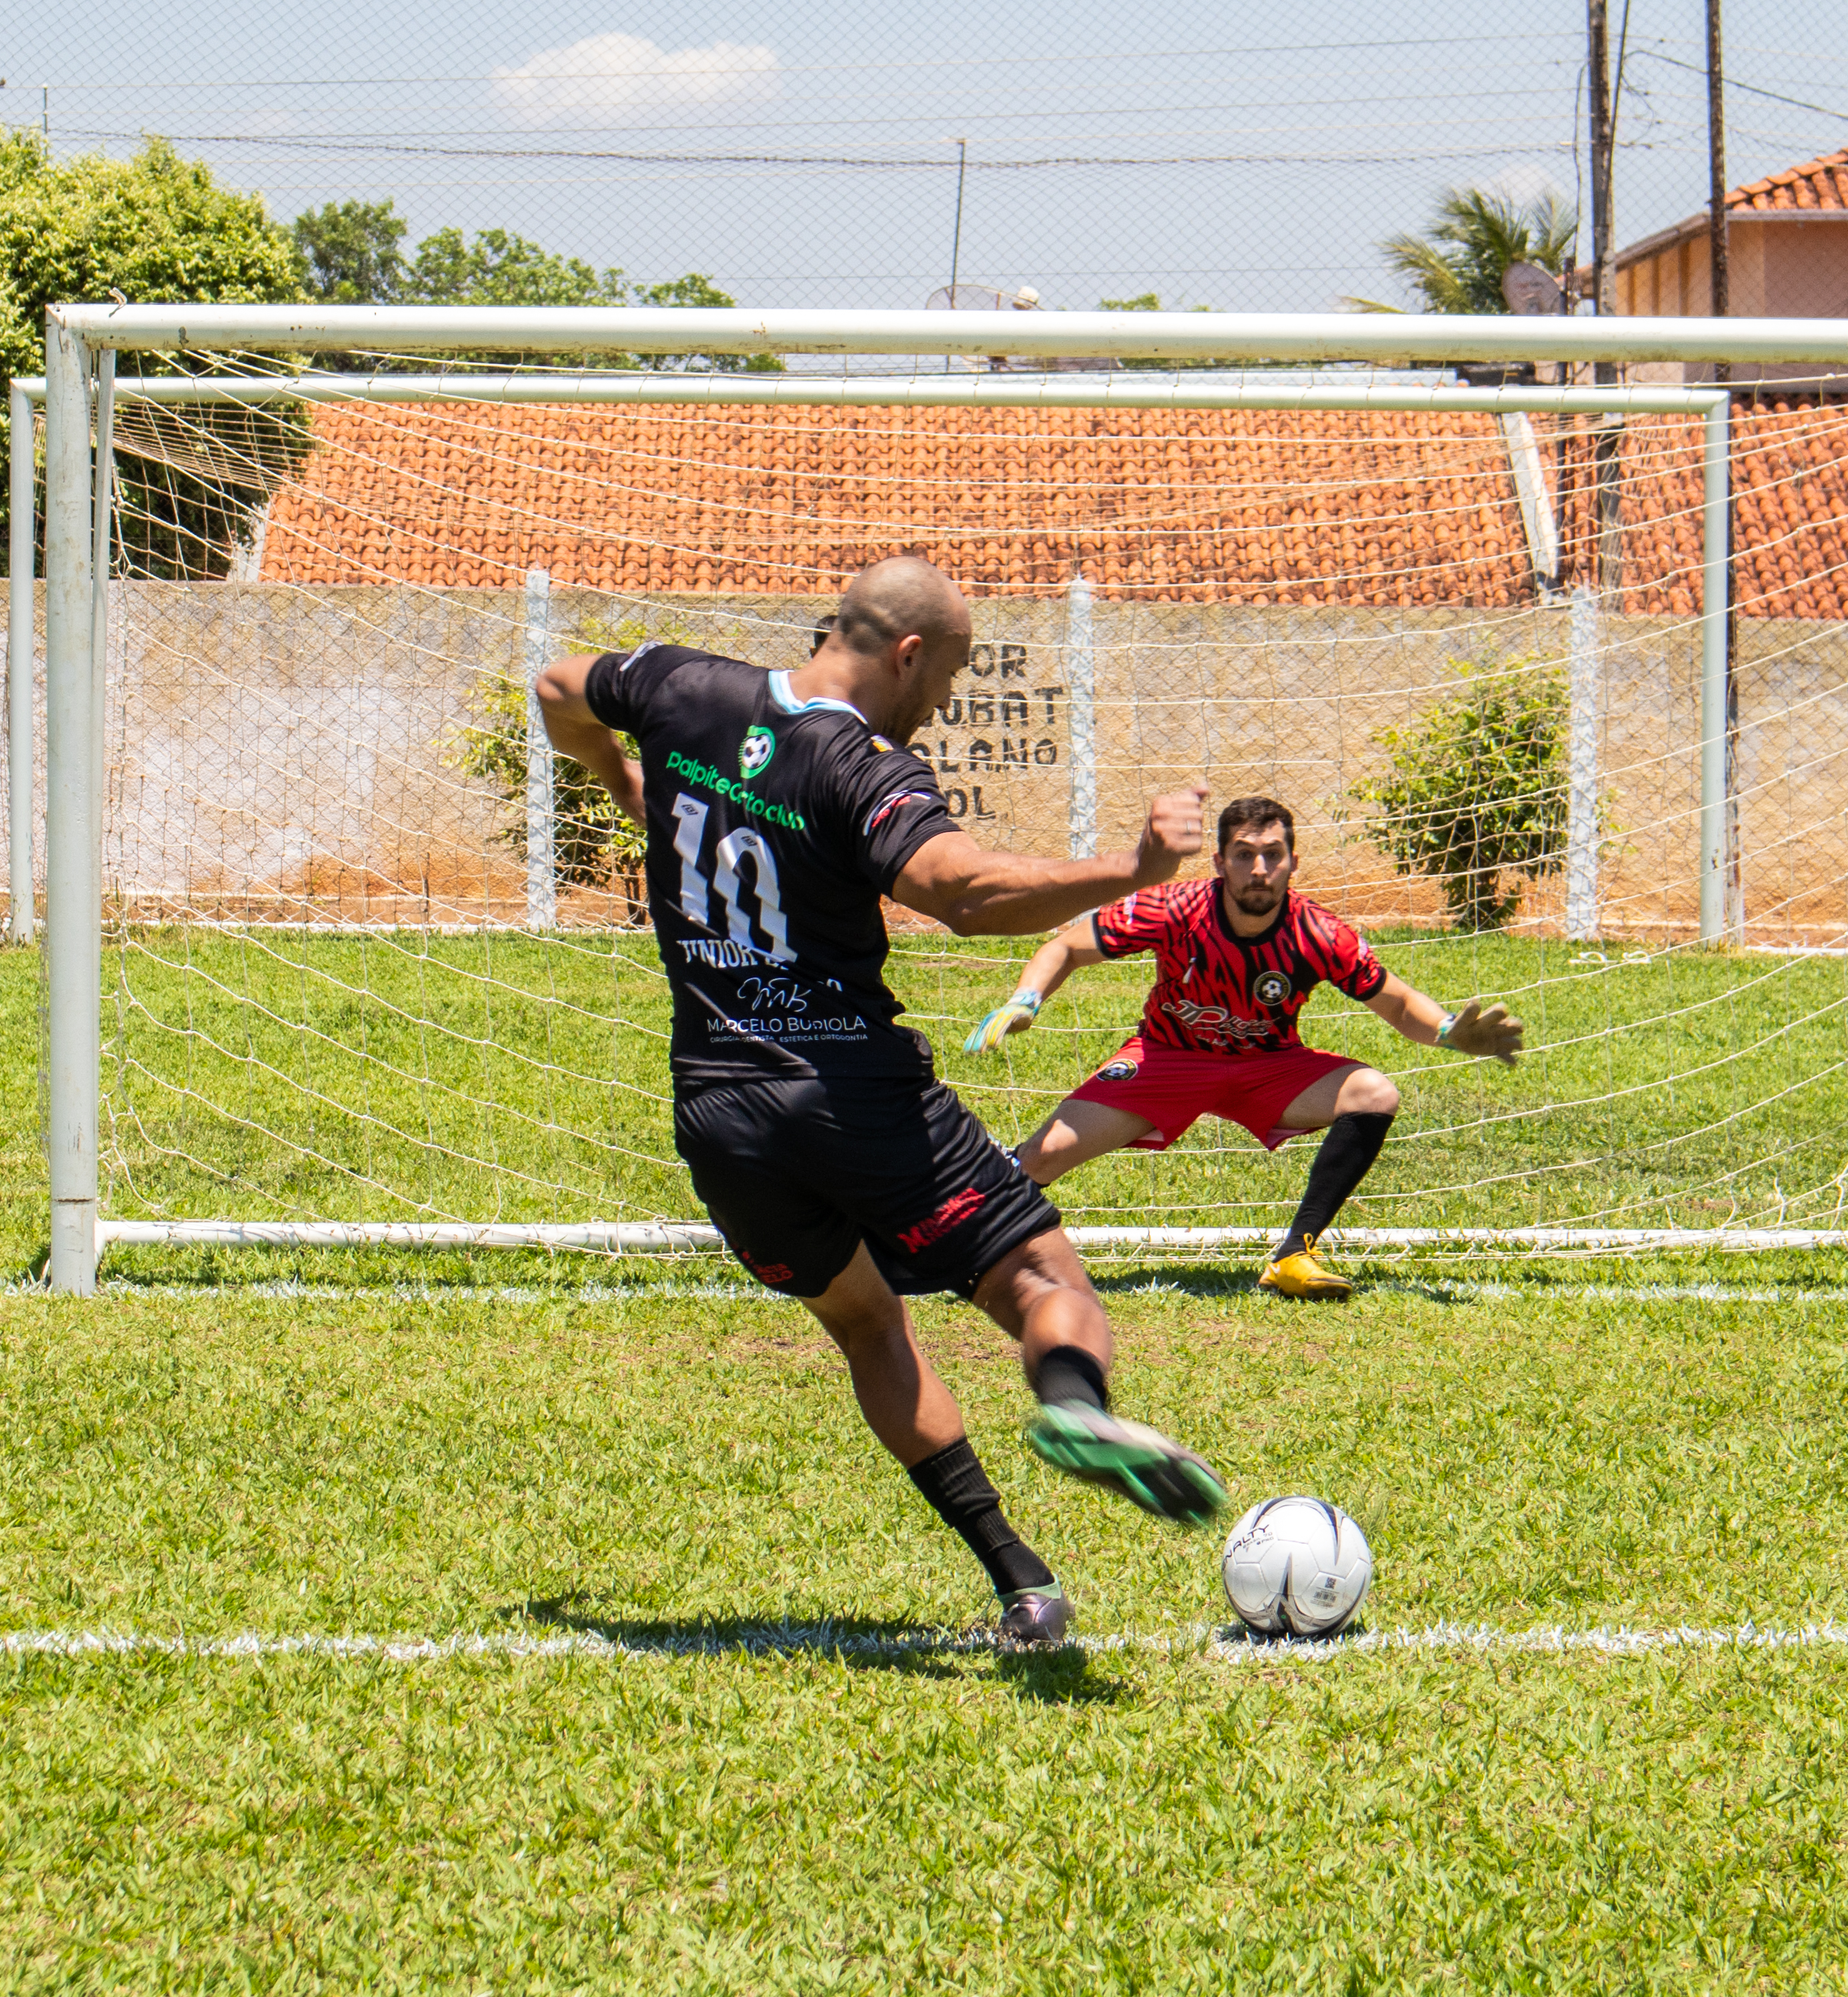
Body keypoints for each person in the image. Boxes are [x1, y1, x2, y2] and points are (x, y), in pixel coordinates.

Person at [531, 555, 1225, 1650]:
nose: (942, 703)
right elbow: (960, 890)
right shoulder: (863, 768)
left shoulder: (681, 686)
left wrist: (622, 784)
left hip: (718, 1112)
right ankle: (1075, 1406)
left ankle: (1020, 1581)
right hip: (853, 1094)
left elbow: (559, 689)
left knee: (866, 1324)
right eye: (944, 678)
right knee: (1041, 1276)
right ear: (906, 654)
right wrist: (1130, 865)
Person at [962, 797, 1525, 1302]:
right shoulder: (1174, 908)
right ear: (1219, 862)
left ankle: (1293, 1255)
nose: (1259, 869)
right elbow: (1066, 948)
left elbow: (1399, 1005)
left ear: (1293, 863)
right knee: (1039, 1158)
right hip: (1166, 1060)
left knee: (1373, 1093)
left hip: (1268, 1067)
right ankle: (958, 1239)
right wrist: (1026, 1000)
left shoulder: (1320, 934)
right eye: (1243, 854)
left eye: (1273, 854)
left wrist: (1450, 1030)